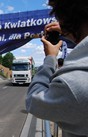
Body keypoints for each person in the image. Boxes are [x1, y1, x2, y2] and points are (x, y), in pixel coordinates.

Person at [26, 0, 88, 136]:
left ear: (66, 17)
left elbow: (33, 100)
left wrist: (50, 59)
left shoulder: (71, 84)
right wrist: (73, 31)